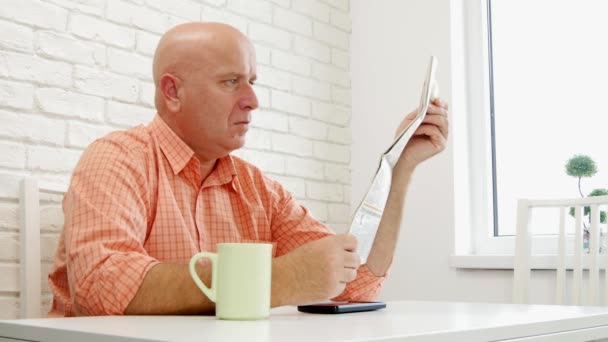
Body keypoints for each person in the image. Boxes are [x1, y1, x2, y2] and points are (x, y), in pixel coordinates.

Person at [47, 22, 449, 317]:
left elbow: (356, 282)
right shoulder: (115, 160)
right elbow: (101, 289)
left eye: (251, 81)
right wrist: (276, 281)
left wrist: (398, 169)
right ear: (172, 92)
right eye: (230, 81)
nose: (252, 99)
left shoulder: (259, 190)